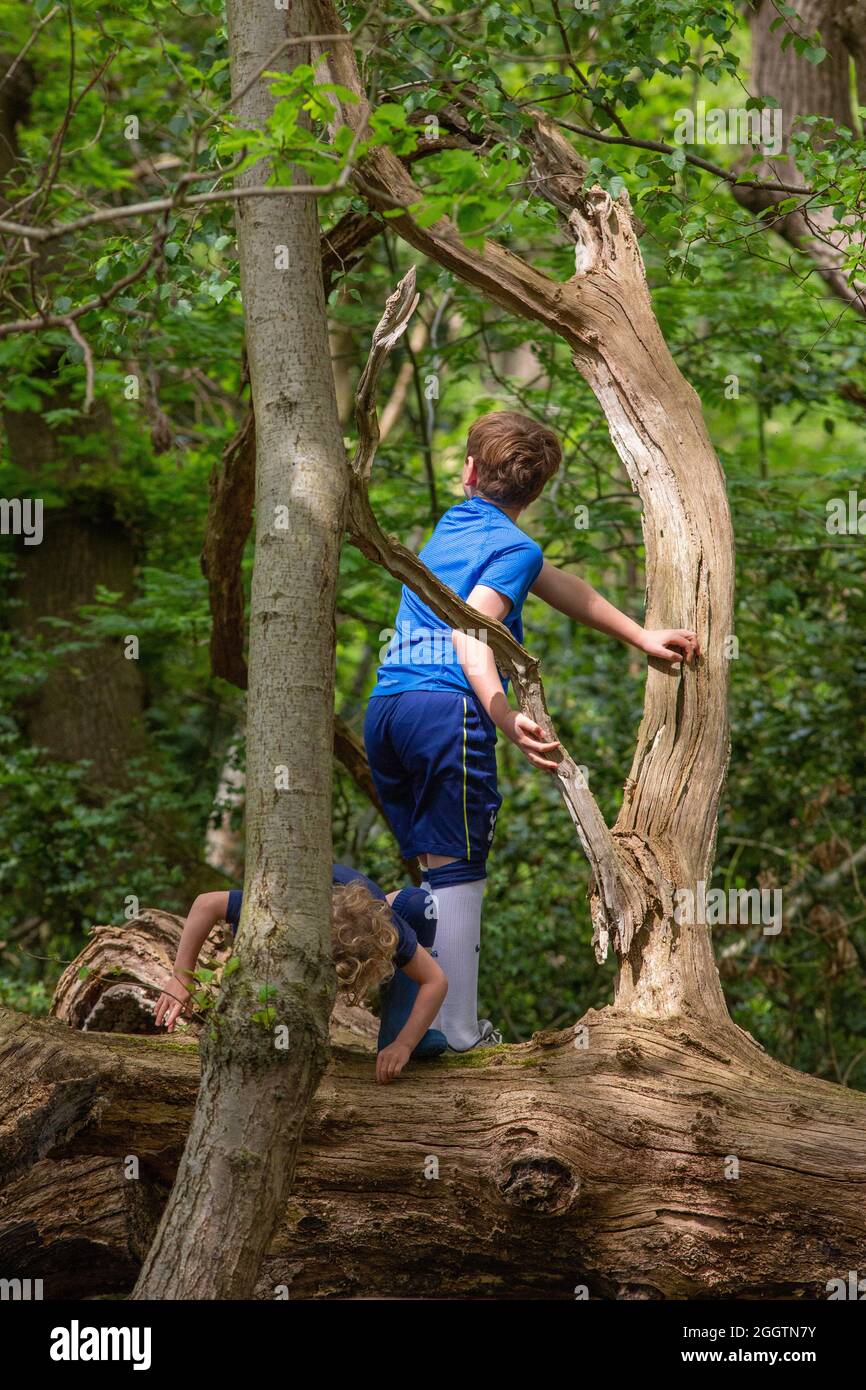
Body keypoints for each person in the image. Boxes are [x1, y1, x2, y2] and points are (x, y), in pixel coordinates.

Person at [365, 409, 699, 1051]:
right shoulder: (515, 547)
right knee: (461, 868)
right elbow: (472, 629)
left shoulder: (458, 525)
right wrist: (501, 713)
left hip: (390, 708)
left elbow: (557, 585)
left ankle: (417, 1025)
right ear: (537, 492)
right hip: (446, 711)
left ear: (468, 472)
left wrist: (640, 634)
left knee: (436, 870)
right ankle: (458, 1030)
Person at [154, 864, 448, 1084]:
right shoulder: (281, 903)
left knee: (417, 904)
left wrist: (404, 1044)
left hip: (367, 915)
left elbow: (435, 981)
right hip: (273, 938)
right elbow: (206, 903)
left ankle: (394, 1032)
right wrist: (182, 976)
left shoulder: (383, 927)